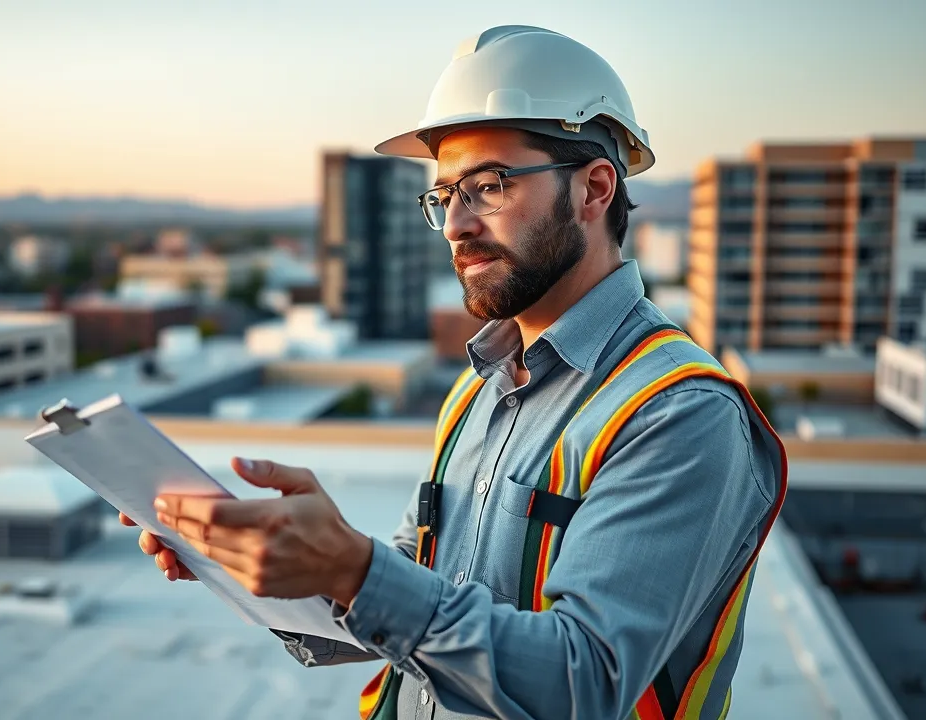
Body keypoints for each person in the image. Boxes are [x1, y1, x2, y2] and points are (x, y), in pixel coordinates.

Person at [123, 25, 787, 720]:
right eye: (446, 197)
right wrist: (258, 559)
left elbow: (583, 683)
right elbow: (418, 598)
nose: (457, 225)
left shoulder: (677, 413)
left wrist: (354, 566)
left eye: (490, 186)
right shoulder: (481, 384)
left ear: (594, 190)